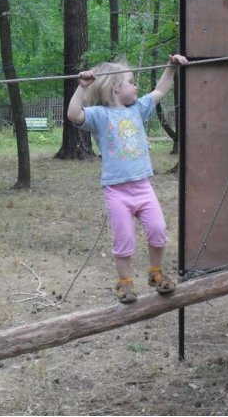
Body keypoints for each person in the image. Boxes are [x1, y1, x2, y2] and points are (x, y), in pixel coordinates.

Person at [67, 54, 188, 304]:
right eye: (131, 82)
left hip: (143, 187)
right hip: (117, 192)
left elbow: (161, 90)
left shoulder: (138, 109)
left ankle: (155, 274)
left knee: (158, 230)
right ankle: (124, 283)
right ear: (114, 88)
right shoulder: (100, 115)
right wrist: (82, 87)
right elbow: (73, 115)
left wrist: (171, 68)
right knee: (125, 240)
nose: (136, 87)